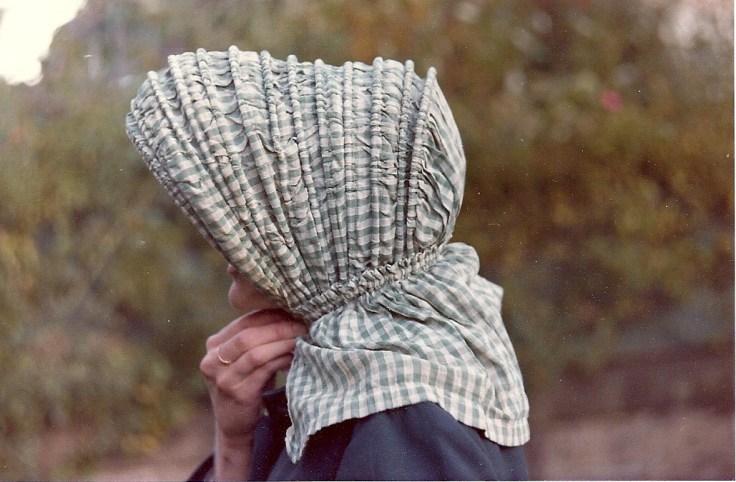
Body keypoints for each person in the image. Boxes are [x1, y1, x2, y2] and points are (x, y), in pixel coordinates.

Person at [126, 47, 530, 480]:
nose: (227, 240)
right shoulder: (359, 387)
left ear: (323, 222)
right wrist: (235, 443)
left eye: (256, 206)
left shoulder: (399, 422)